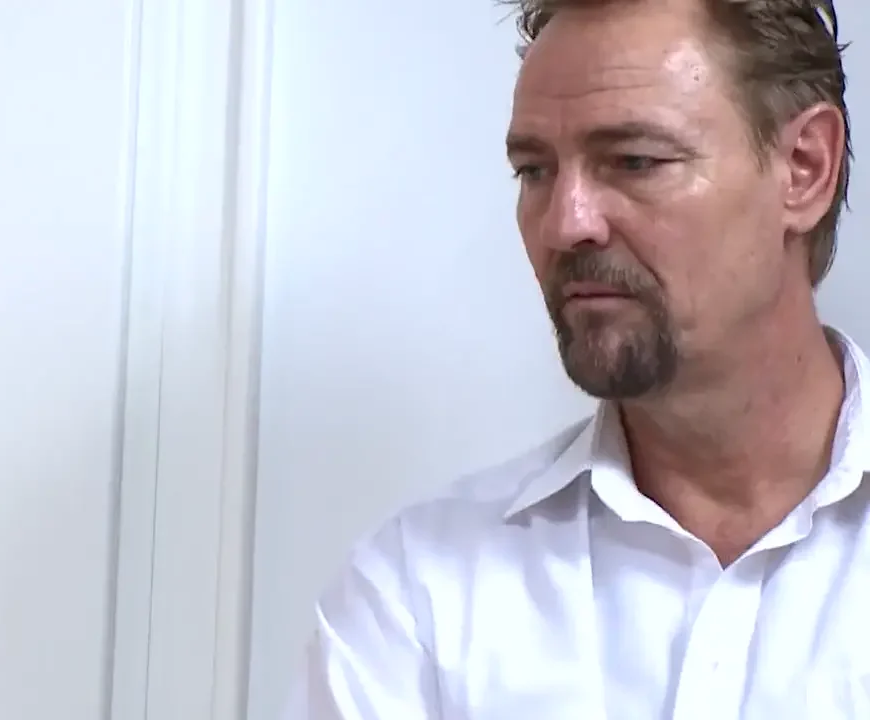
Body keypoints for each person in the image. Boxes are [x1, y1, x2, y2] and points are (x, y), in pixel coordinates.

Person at [285, 0, 862, 717]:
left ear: (805, 168)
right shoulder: (419, 596)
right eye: (535, 171)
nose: (566, 224)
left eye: (635, 161)